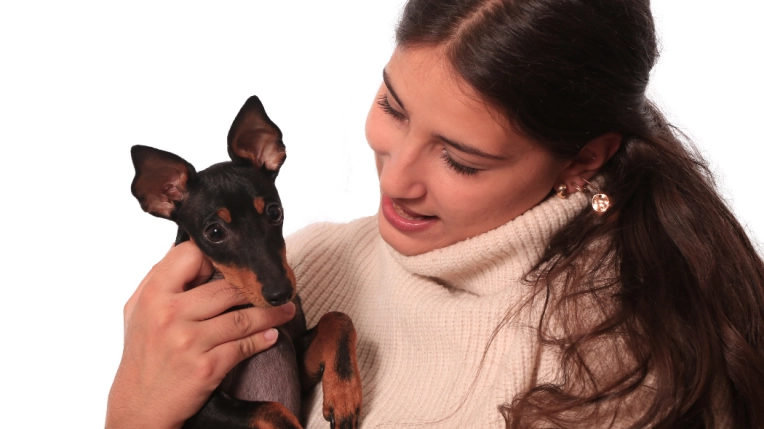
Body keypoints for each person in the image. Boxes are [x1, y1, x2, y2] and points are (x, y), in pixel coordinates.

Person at [106, 0, 764, 428]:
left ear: (581, 160)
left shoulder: (620, 370)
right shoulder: (316, 259)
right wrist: (134, 409)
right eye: (393, 107)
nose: (394, 178)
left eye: (461, 159)